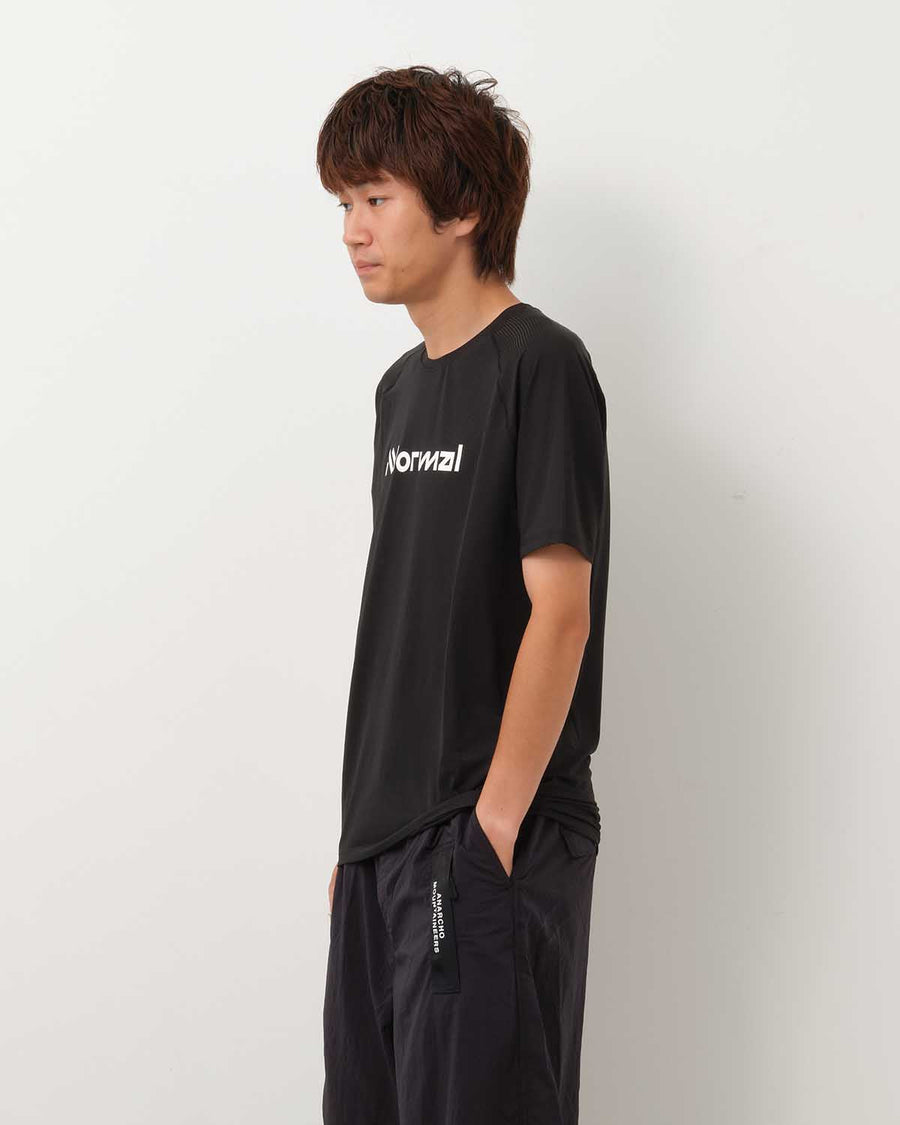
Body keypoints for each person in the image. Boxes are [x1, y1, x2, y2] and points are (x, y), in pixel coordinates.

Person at [315, 65, 611, 1125]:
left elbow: (560, 611)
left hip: (481, 837)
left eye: (376, 197)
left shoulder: (542, 365)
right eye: (343, 203)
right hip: (381, 843)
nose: (352, 230)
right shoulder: (400, 392)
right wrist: (362, 842)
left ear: (464, 208)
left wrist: (490, 826)